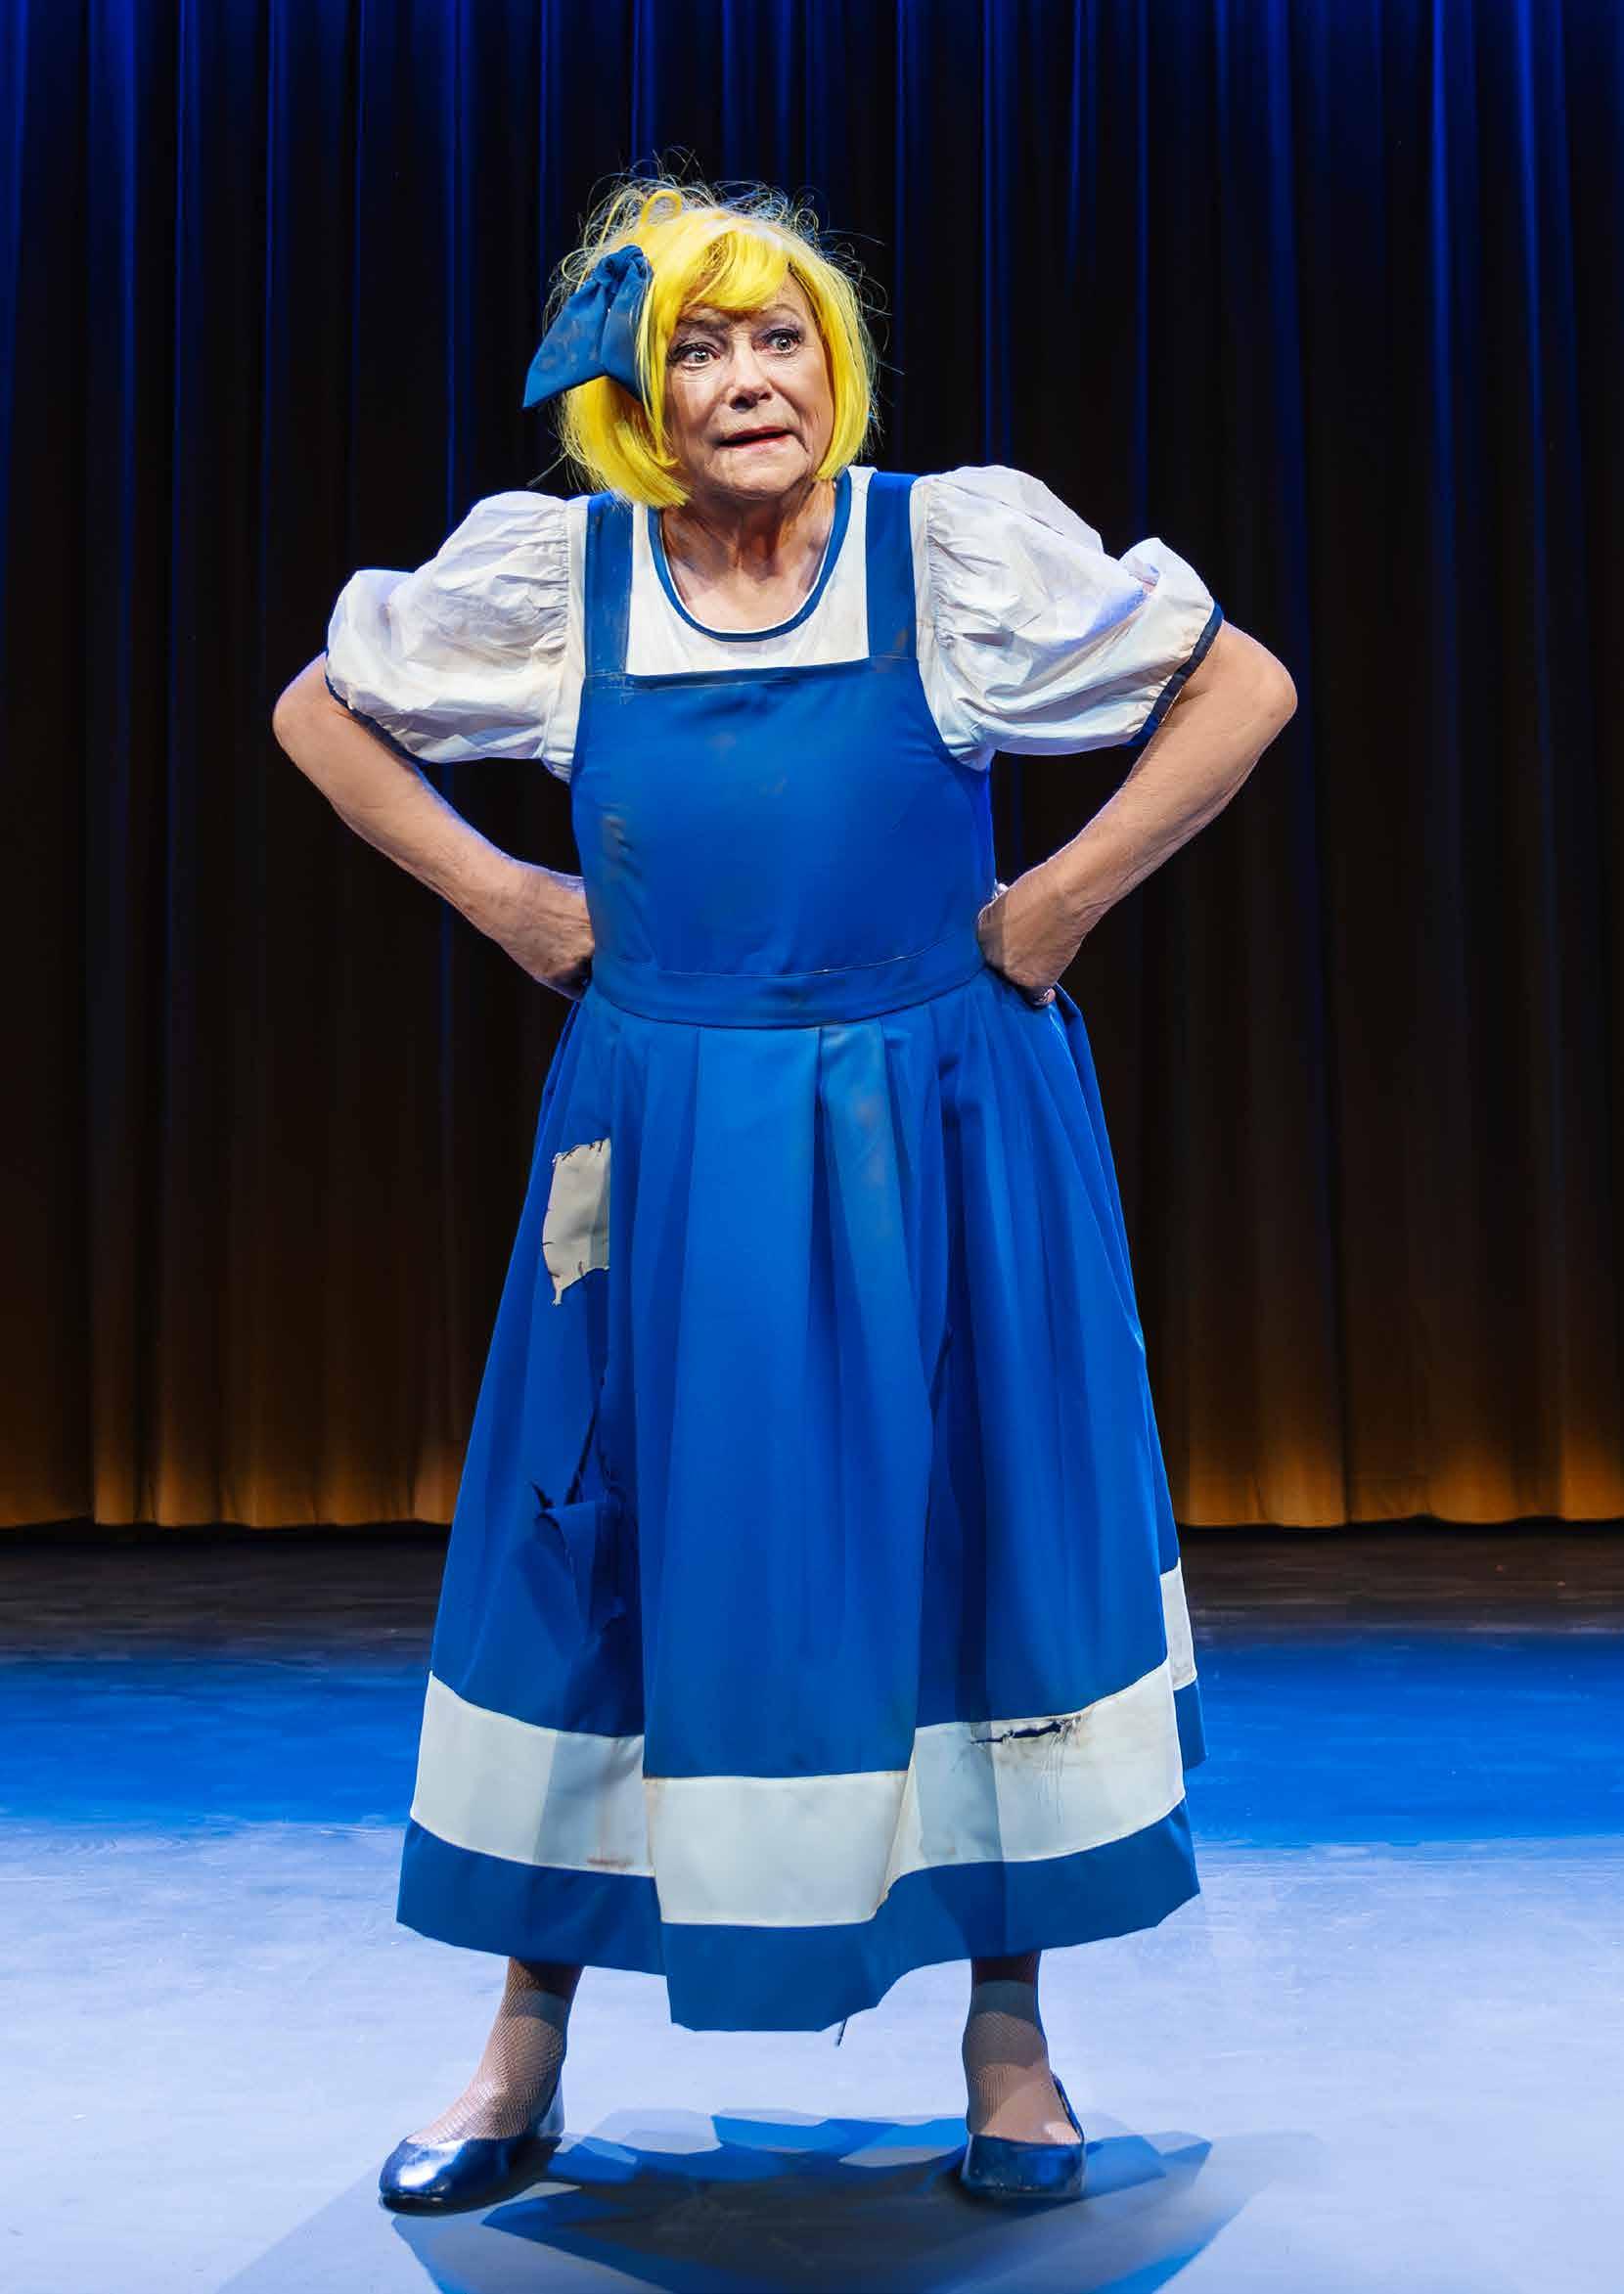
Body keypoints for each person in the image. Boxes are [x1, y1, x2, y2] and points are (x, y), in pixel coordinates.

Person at [271, 174, 1296, 2215]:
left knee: (969, 1527)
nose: (752, 380)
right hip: (659, 1133)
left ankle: (1008, 2045)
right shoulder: (568, 584)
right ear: (638, 399)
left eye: (784, 340)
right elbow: (322, 708)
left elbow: (1240, 684)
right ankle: (520, 2041)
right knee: (596, 1537)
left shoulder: (947, 553)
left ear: (836, 370)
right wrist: (501, 894)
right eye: (701, 349)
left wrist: (1059, 900)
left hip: (939, 1118)